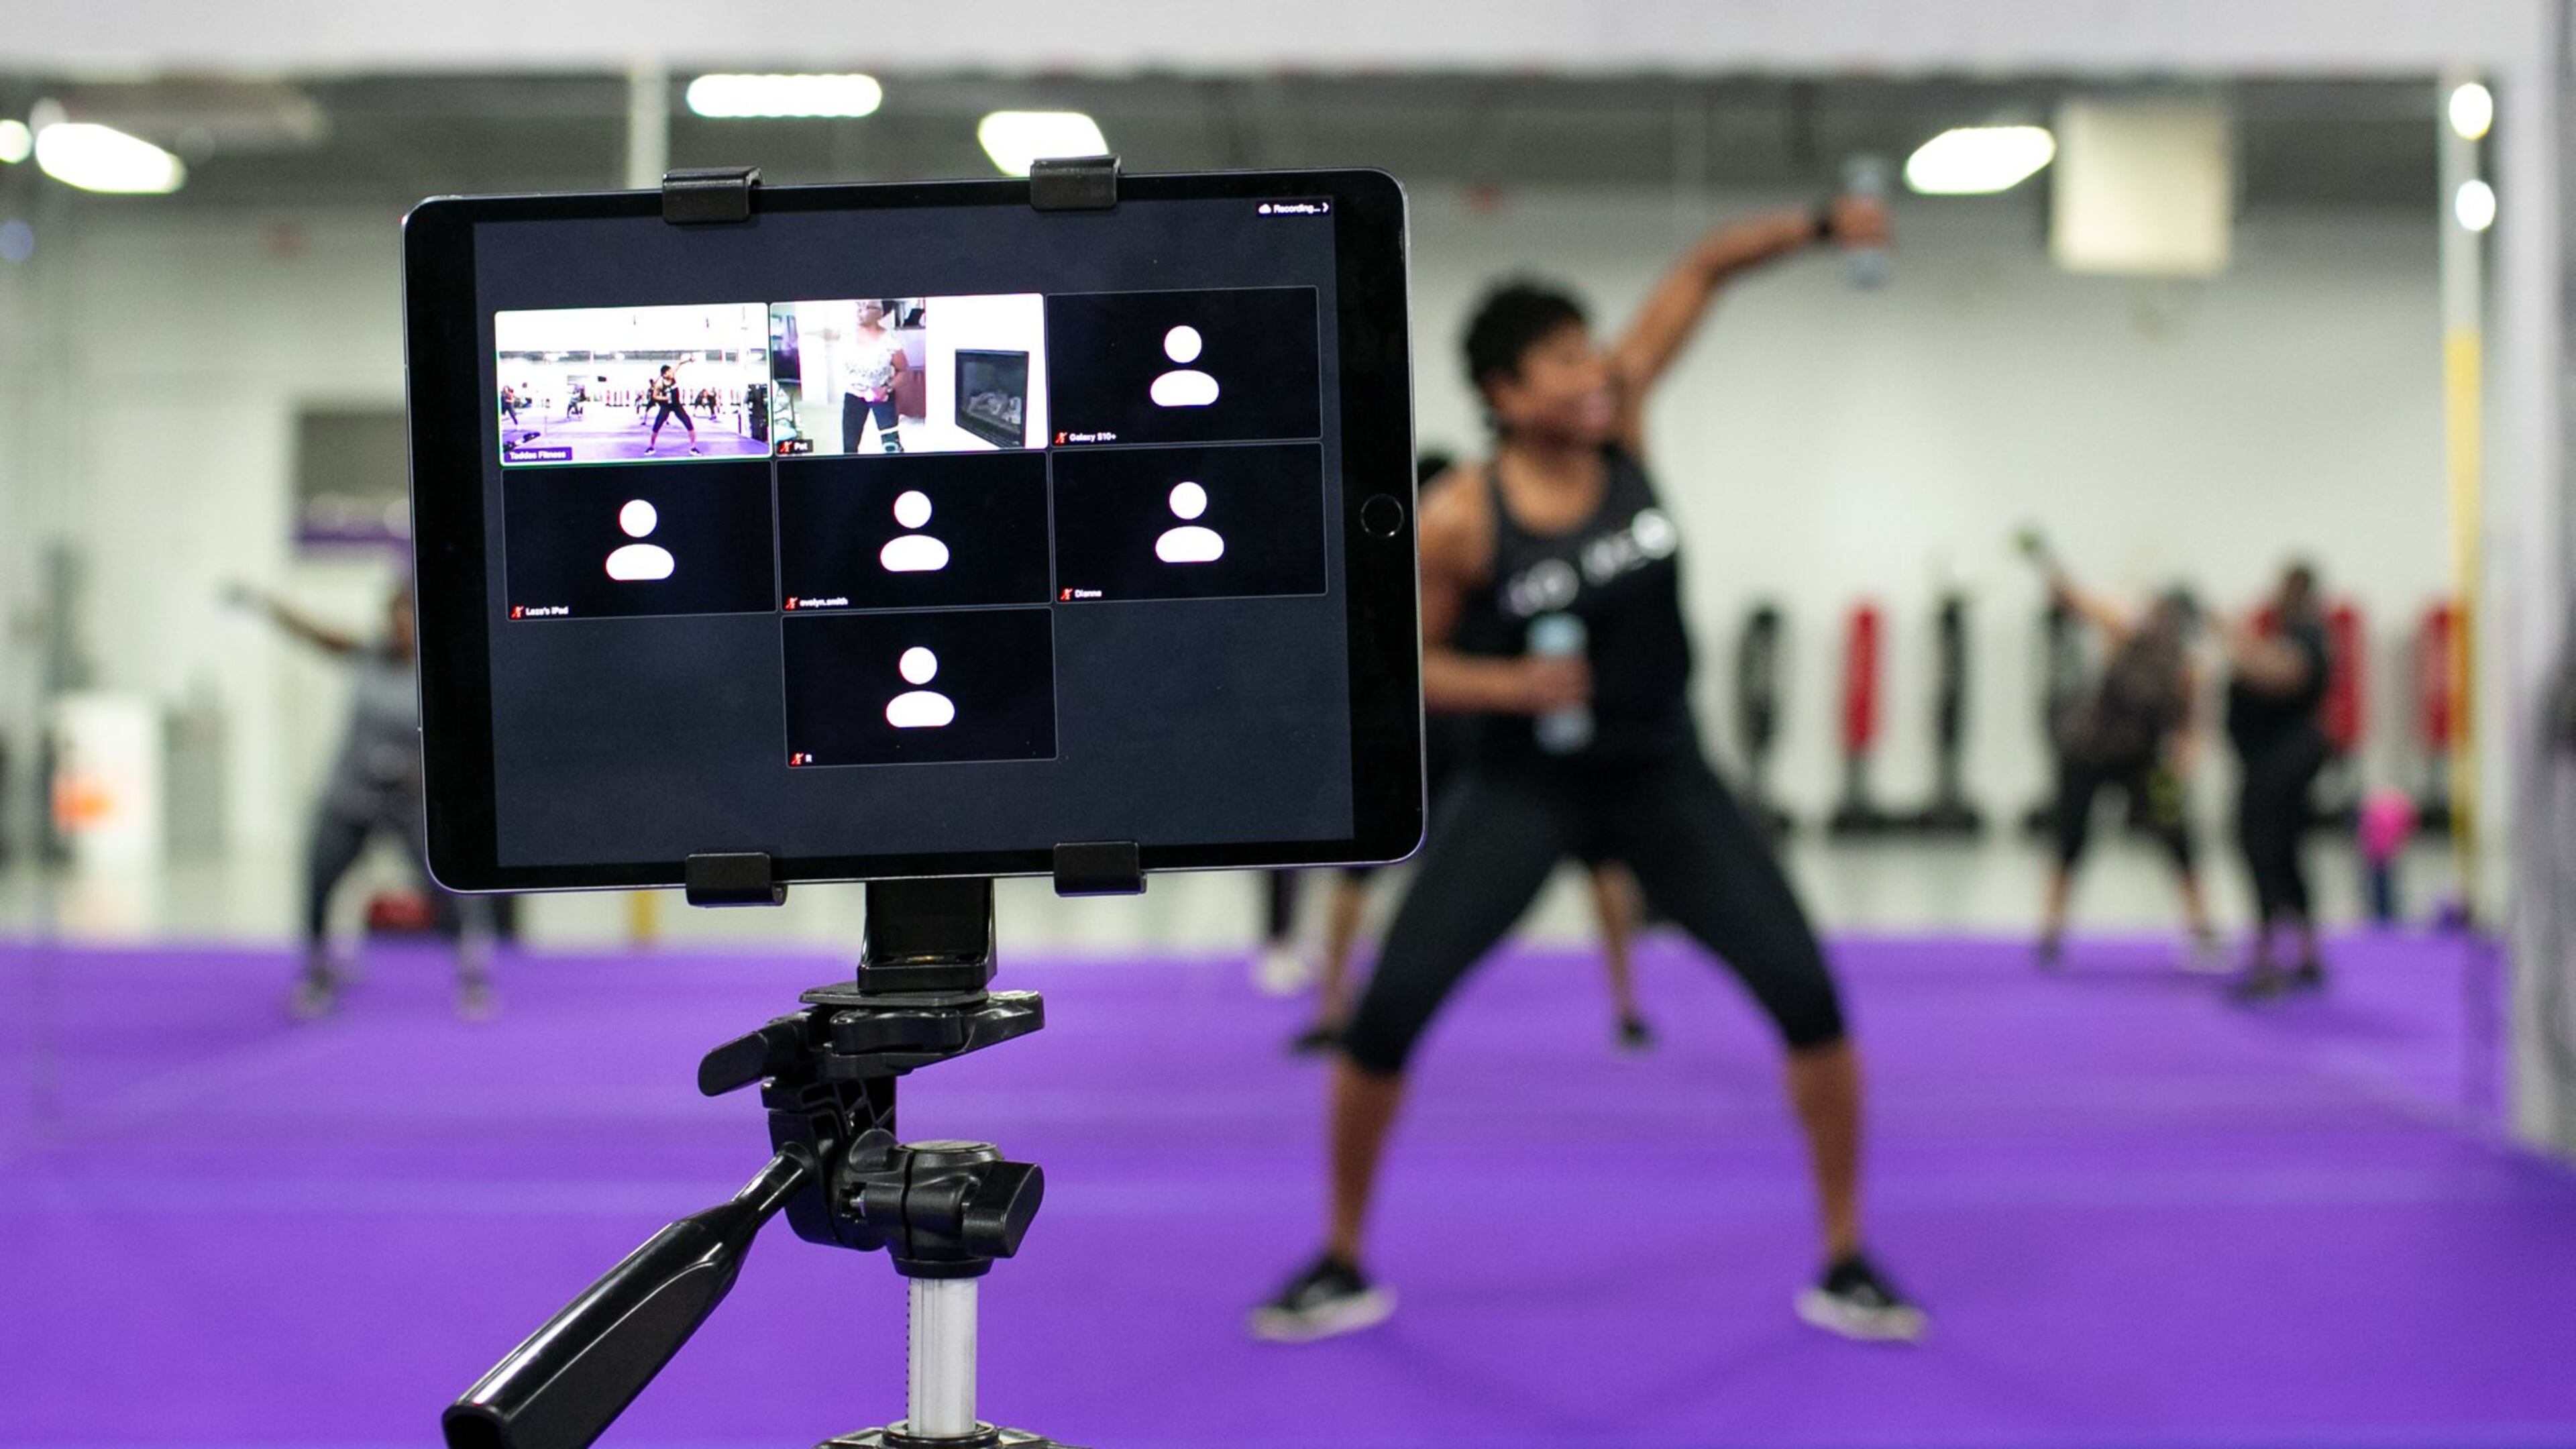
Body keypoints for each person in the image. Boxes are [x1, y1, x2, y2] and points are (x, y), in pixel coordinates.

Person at [1252, 197, 1924, 1346]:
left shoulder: (1627, 431)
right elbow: (1396, 667)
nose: (1596, 368)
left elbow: (1703, 266)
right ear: (1507, 394)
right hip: (1527, 789)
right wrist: (1509, 688)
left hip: (1666, 778)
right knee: (1386, 1020)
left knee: (1812, 1004)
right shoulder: (1463, 517)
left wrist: (1821, 222)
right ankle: (1340, 1256)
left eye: (1593, 346)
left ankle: (1849, 1255)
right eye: (1566, 358)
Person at [230, 582, 494, 1022]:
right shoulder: (366, 656)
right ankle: (318, 975)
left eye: (410, 615)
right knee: (320, 879)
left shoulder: (444, 670)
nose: (401, 625)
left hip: (414, 805)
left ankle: (473, 975)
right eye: (394, 615)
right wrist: (266, 604)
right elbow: (314, 633)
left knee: (453, 887)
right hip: (351, 795)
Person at [2024, 552, 2221, 971]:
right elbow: (2079, 600)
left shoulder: (2189, 668)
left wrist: (2181, 767)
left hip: (2147, 761)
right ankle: (2050, 930)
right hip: (2088, 753)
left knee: (2179, 838)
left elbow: (2192, 729)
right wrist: (2045, 563)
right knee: (2069, 838)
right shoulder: (2125, 632)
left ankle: (2202, 928)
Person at [2223, 562, 2334, 999]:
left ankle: (2269, 960)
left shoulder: (2307, 637)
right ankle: (2304, 955)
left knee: (2267, 855)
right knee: (2283, 855)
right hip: (2269, 766)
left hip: (2279, 770)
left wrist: (2233, 640)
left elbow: (2279, 674)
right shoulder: (2290, 635)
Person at [840, 300, 910, 454]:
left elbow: (903, 370)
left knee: (891, 446)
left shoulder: (890, 342)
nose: (861, 310)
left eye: (868, 307)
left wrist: (886, 389)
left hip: (881, 394)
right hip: (853, 394)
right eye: (859, 305)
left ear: (881, 313)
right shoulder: (847, 335)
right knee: (850, 446)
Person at [644, 362, 701, 455]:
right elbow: (654, 396)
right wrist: (664, 398)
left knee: (689, 424)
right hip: (666, 407)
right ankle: (651, 447)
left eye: (671, 371)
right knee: (657, 426)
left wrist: (688, 360)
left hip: (677, 406)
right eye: (669, 372)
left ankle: (693, 448)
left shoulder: (673, 377)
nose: (672, 373)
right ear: (664, 374)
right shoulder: (660, 385)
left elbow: (679, 363)